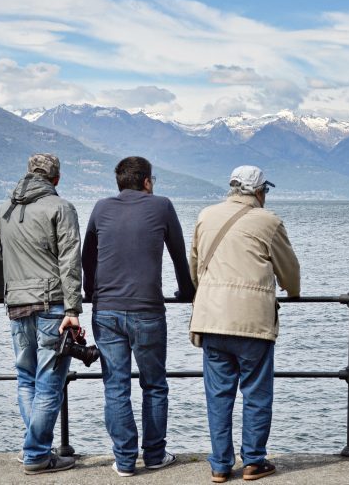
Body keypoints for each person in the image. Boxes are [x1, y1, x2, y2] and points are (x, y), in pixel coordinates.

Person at [82, 156, 196, 477]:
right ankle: (156, 454)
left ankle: (125, 461)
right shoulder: (162, 206)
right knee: (154, 385)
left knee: (115, 386)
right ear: (147, 181)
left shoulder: (101, 208)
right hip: (147, 310)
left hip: (105, 310)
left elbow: (87, 256)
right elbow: (178, 256)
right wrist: (187, 293)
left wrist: (91, 291)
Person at [188, 165, 300, 482]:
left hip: (212, 320)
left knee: (218, 396)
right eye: (266, 190)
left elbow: (195, 268)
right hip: (252, 322)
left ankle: (220, 466)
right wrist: (293, 292)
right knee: (256, 394)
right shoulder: (269, 221)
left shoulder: (206, 216)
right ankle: (253, 461)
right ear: (259, 191)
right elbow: (289, 269)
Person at [0, 153, 82, 475]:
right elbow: (70, 261)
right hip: (52, 306)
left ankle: (35, 447)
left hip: (17, 305)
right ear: (56, 179)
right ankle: (37, 454)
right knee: (50, 383)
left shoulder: (5, 210)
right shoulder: (61, 208)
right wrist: (72, 309)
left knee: (26, 378)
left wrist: (2, 296)